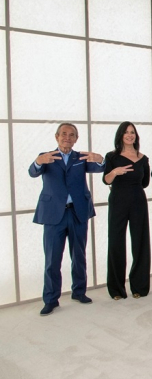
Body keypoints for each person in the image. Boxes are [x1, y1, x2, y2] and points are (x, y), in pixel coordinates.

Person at [29, 123, 104, 316]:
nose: (67, 138)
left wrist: (101, 160)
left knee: (79, 255)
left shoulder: (81, 157)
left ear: (76, 139)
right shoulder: (47, 156)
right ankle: (51, 299)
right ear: (56, 136)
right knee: (52, 259)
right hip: (54, 214)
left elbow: (98, 168)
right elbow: (33, 172)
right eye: (64, 134)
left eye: (72, 135)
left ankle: (79, 292)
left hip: (78, 211)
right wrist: (38, 161)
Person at [103, 122, 151, 300]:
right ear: (120, 135)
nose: (130, 135)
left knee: (140, 242)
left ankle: (139, 286)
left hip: (138, 201)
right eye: (126, 132)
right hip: (118, 201)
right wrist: (115, 172)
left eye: (132, 132)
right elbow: (106, 180)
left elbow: (145, 182)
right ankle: (116, 289)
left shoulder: (143, 158)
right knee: (116, 242)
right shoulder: (111, 157)